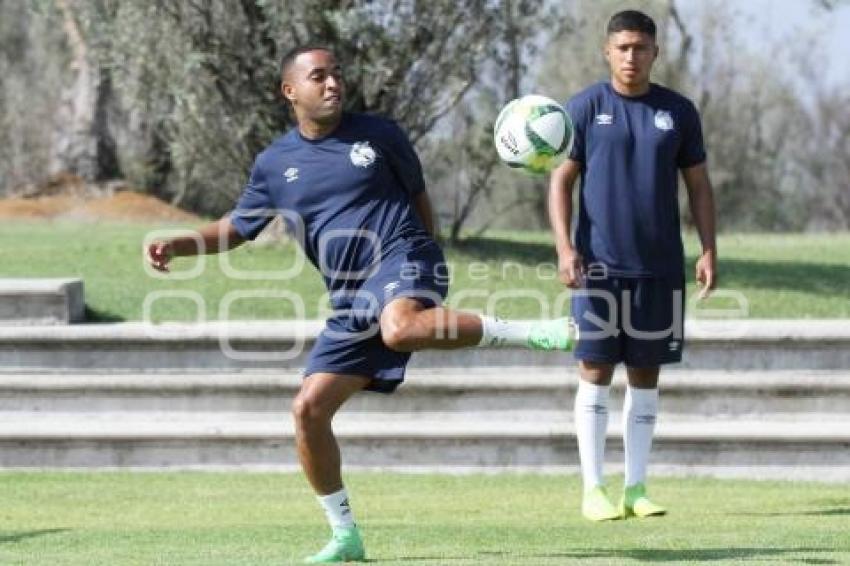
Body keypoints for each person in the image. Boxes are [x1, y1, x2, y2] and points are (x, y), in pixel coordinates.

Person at [147, 46, 576, 563]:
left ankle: (534, 330)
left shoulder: (381, 135)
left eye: (337, 75)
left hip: (404, 257)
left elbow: (419, 198)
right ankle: (345, 536)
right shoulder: (274, 163)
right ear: (291, 92)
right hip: (351, 298)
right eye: (318, 76)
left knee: (399, 327)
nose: (332, 84)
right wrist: (178, 244)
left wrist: (426, 258)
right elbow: (236, 229)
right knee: (308, 409)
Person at [548, 10, 717, 522]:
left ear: (654, 53)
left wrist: (708, 248)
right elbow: (560, 182)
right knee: (594, 371)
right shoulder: (584, 107)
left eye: (640, 48)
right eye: (622, 47)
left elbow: (699, 185)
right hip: (599, 267)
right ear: (607, 51)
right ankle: (593, 490)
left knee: (646, 375)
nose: (631, 56)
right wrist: (564, 248)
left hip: (660, 269)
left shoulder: (678, 112)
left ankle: (636, 488)